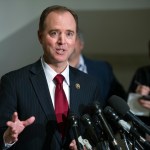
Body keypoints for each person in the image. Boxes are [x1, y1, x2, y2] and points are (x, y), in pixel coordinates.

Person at [0, 5, 104, 150]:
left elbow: (97, 135)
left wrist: (89, 145)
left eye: (69, 34)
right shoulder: (13, 82)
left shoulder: (90, 84)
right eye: (54, 33)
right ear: (40, 36)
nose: (62, 41)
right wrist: (7, 137)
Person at [69, 30, 126, 101]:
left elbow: (121, 99)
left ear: (81, 44)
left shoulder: (103, 69)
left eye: (71, 37)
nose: (68, 43)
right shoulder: (52, 70)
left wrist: (138, 97)